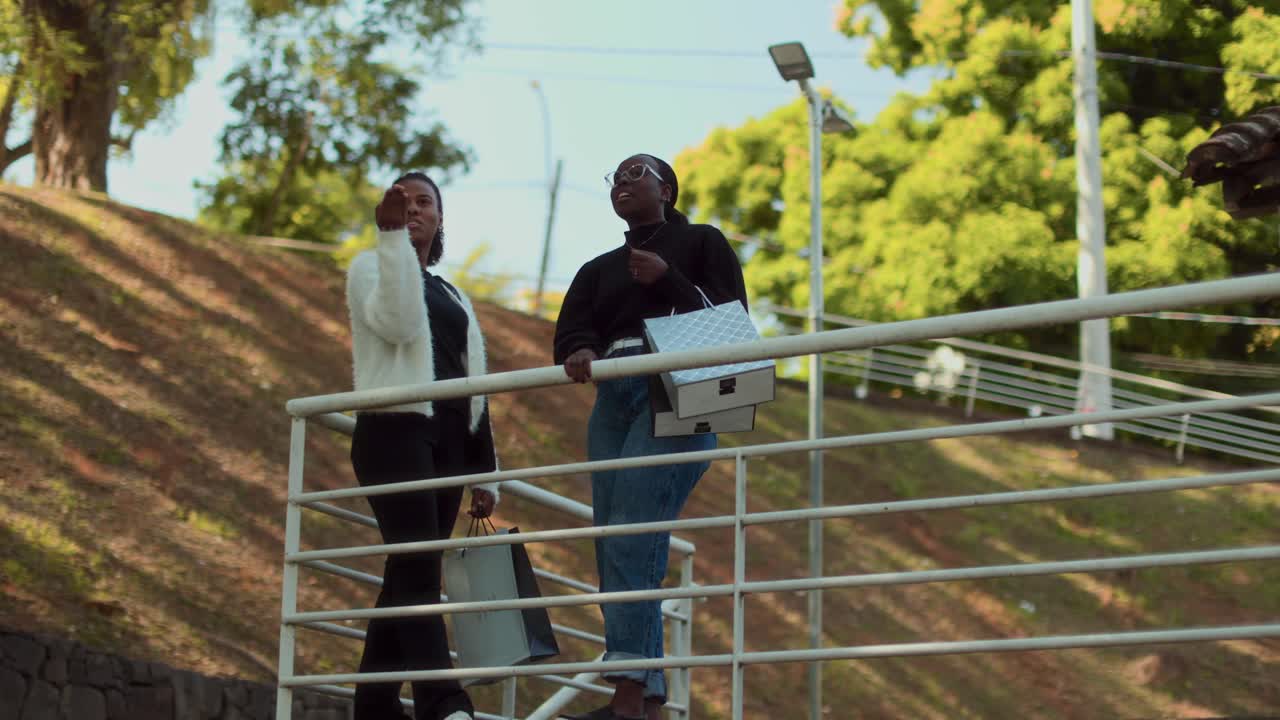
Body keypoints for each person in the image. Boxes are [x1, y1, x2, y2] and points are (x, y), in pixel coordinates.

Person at [553, 154, 749, 720]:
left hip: (681, 386)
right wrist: (580, 348)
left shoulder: (703, 241)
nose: (621, 181)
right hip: (613, 397)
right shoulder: (598, 268)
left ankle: (628, 696)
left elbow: (733, 320)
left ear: (667, 190)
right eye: (614, 176)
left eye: (635, 172)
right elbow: (572, 328)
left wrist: (670, 280)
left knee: (630, 536)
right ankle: (648, 698)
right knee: (614, 538)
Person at [346, 172, 502, 720]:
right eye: (401, 200)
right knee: (416, 567)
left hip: (450, 444)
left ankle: (375, 706)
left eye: (424, 201)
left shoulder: (453, 293)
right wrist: (392, 243)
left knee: (407, 571)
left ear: (439, 218)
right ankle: (442, 702)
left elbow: (473, 378)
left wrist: (485, 469)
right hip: (395, 431)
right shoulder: (370, 267)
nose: (412, 209)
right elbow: (397, 323)